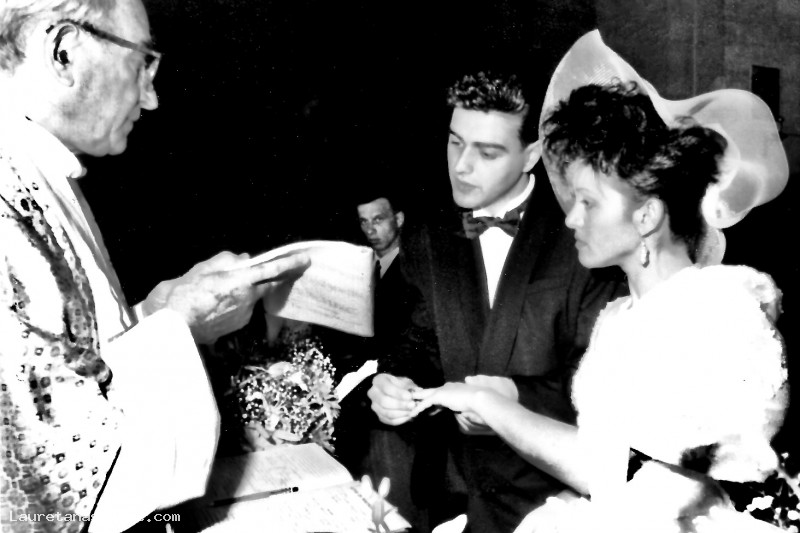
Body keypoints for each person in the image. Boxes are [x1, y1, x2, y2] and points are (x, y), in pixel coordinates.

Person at [411, 31, 792, 533]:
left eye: (588, 202)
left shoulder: (719, 318)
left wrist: (494, 408)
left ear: (646, 215)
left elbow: (671, 492)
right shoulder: (619, 319)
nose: (571, 218)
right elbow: (601, 463)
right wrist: (492, 404)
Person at [0, 1, 308, 532]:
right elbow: (56, 484)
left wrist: (156, 313)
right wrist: (182, 326)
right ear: (64, 52)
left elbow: (61, 369)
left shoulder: (34, 168)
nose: (151, 97)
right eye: (141, 63)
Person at [366, 71, 626, 533]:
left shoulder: (585, 237)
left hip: (546, 502)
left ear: (532, 155)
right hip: (446, 493)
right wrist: (396, 380)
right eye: (455, 143)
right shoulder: (427, 236)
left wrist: (511, 400)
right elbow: (419, 340)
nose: (461, 167)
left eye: (487, 153)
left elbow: (598, 382)